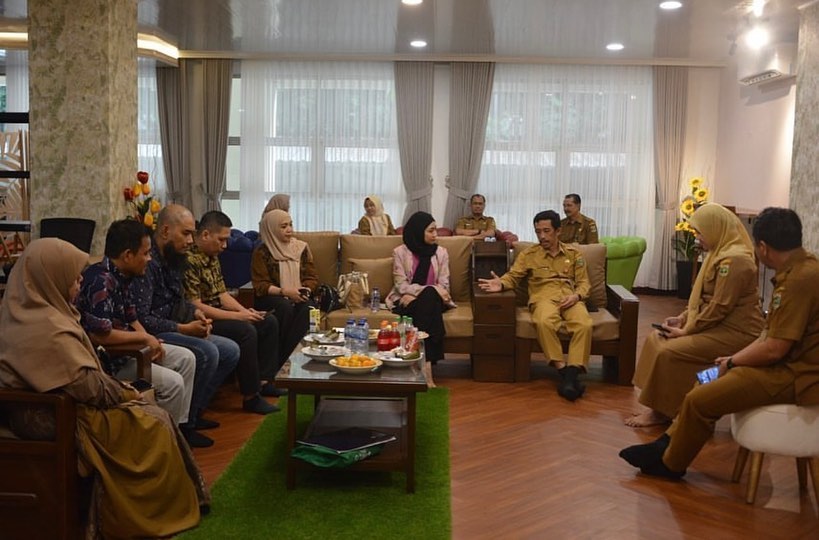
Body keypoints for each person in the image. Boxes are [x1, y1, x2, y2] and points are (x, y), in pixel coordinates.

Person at [0, 238, 209, 538]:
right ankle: (145, 515)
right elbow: (86, 386)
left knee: (152, 414)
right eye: (74, 277)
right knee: (152, 421)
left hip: (59, 404)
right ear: (51, 278)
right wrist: (127, 393)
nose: (80, 282)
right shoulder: (45, 328)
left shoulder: (29, 310)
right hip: (53, 414)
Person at [619, 207, 819, 480]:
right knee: (705, 378)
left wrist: (733, 361)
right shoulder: (801, 270)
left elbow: (775, 348)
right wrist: (731, 360)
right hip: (780, 365)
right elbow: (770, 335)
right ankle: (666, 444)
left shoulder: (798, 280)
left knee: (701, 399)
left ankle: (671, 464)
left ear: (763, 247)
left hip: (797, 375)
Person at [626, 203, 764, 427]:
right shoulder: (717, 253)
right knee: (655, 339)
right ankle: (662, 406)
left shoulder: (735, 260)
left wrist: (687, 330)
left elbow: (719, 307)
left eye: (700, 232)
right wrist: (682, 318)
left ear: (715, 229)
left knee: (670, 351)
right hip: (716, 325)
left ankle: (663, 411)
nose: (697, 238)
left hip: (737, 332)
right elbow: (704, 299)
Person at [132, 204, 240, 448]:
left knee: (230, 350)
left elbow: (180, 301)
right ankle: (185, 426)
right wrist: (184, 329)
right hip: (156, 332)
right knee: (208, 352)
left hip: (177, 323)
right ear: (165, 231)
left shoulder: (174, 258)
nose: (191, 241)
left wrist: (197, 314)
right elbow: (143, 318)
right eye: (186, 233)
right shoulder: (147, 262)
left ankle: (195, 412)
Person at [76, 219, 196, 427]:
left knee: (186, 358)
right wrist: (145, 339)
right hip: (111, 361)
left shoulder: (124, 276)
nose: (150, 259)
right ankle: (162, 437)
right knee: (173, 384)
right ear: (128, 255)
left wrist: (150, 341)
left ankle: (181, 428)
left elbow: (132, 318)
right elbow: (100, 334)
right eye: (146, 253)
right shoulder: (101, 281)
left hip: (131, 350)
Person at [479, 210, 592, 401]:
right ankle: (564, 372)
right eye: (538, 232)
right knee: (543, 322)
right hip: (543, 298)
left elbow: (584, 283)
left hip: (570, 298)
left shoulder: (574, 254)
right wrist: (501, 284)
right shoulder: (529, 255)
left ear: (558, 231)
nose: (542, 236)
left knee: (584, 324)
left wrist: (577, 296)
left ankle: (570, 375)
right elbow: (513, 276)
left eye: (547, 231)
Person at [185, 210, 283, 415]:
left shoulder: (212, 256)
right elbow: (196, 306)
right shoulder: (189, 260)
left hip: (218, 311)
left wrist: (246, 311)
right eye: (221, 240)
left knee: (268, 321)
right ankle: (251, 397)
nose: (225, 246)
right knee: (246, 331)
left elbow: (222, 294)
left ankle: (265, 382)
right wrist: (240, 317)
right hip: (202, 318)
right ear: (205, 235)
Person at [387, 211, 457, 377]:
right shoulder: (400, 252)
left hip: (426, 299)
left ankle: (419, 362)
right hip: (407, 301)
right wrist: (428, 290)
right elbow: (401, 285)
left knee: (430, 296)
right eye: (430, 230)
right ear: (418, 231)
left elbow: (444, 285)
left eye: (436, 230)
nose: (435, 234)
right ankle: (427, 366)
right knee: (429, 300)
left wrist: (421, 292)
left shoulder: (441, 253)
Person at [251, 209, 318, 365]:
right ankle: (281, 362)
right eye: (283, 226)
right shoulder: (262, 252)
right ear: (272, 229)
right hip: (272, 297)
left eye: (290, 225)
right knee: (285, 306)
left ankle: (287, 359)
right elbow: (260, 285)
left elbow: (311, 277)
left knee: (309, 307)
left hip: (298, 294)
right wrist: (284, 292)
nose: (289, 230)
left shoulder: (301, 248)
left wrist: (305, 290)